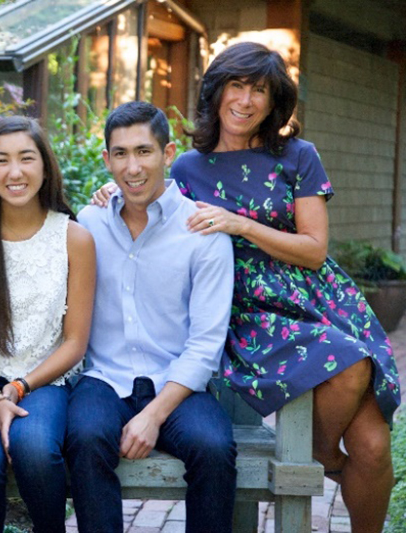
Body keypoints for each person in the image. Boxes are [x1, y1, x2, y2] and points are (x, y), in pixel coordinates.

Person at [94, 42, 401, 533]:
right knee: (352, 365)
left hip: (315, 296)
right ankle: (320, 454)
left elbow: (314, 249)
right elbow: (148, 195)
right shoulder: (188, 168)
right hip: (249, 308)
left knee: (371, 444)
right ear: (216, 92)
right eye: (236, 85)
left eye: (260, 89)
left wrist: (242, 225)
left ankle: (323, 458)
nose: (246, 99)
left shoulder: (299, 156)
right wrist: (110, 190)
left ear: (274, 99)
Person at [67, 100, 237, 533]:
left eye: (144, 151)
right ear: (106, 160)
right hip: (105, 378)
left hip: (176, 383)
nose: (132, 167)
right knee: (84, 438)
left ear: (167, 154)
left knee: (214, 448)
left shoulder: (203, 233)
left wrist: (155, 414)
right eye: (120, 154)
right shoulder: (87, 224)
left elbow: (205, 344)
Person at [0, 116, 96, 533]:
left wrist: (18, 388)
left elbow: (75, 342)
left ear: (45, 166)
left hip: (45, 379)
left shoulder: (74, 238)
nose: (15, 172)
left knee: (33, 450)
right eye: (2, 161)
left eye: (27, 158)